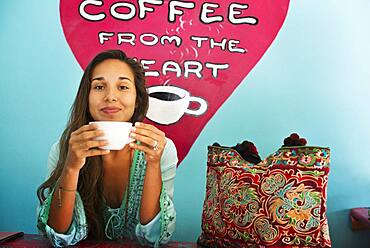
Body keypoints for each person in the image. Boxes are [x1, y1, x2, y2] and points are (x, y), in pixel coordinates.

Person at [36, 50, 178, 247]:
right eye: (99, 86)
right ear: (86, 97)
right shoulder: (64, 149)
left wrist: (153, 164)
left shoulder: (161, 149)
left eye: (122, 86)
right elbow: (58, 236)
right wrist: (71, 167)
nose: (111, 96)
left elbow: (153, 238)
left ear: (137, 99)